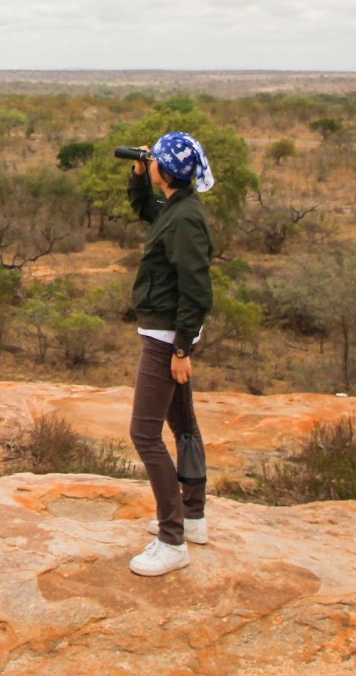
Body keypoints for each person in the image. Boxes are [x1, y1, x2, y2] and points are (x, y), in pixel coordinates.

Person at [125, 130, 215, 578]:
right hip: (168, 334)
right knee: (182, 424)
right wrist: (140, 174)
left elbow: (196, 288)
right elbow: (145, 210)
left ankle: (172, 538)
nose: (151, 161)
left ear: (169, 170)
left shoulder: (184, 220)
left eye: (155, 159)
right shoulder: (177, 208)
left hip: (166, 339)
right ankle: (192, 515)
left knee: (144, 434)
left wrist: (181, 347)